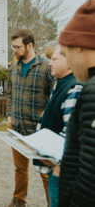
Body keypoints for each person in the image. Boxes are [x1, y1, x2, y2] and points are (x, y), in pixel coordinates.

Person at [7, 29, 54, 207]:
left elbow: (54, 97)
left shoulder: (46, 67)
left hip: (39, 131)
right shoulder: (14, 66)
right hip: (17, 129)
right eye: (13, 47)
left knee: (45, 171)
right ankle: (19, 199)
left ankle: (53, 203)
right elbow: (10, 94)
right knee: (20, 169)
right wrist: (9, 118)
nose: (15, 50)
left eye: (18, 47)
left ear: (30, 45)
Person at [33, 46, 82, 207]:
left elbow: (71, 132)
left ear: (70, 62)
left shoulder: (74, 87)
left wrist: (54, 158)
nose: (49, 64)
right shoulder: (59, 83)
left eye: (55, 59)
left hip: (61, 168)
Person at [58, 0, 95, 207]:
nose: (68, 62)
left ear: (80, 46)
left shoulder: (92, 92)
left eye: (65, 53)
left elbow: (90, 178)